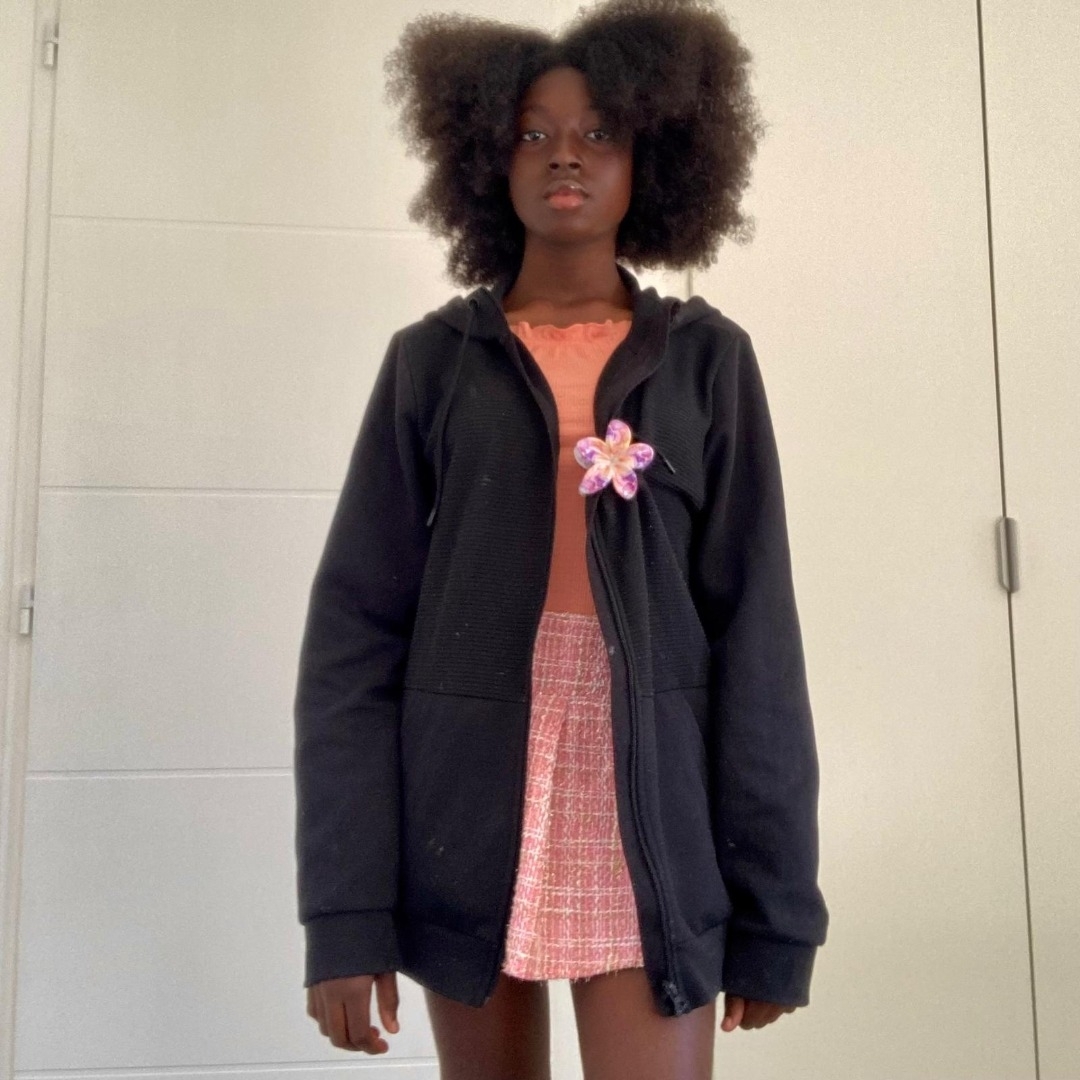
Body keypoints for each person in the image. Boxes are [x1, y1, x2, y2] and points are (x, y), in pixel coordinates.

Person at [293, 0, 829, 1075]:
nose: (564, 156)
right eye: (532, 133)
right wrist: (344, 918)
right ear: (486, 161)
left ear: (654, 160)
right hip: (465, 795)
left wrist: (777, 915)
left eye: (598, 133)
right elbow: (354, 641)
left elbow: (757, 637)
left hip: (652, 802)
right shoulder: (432, 363)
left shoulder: (707, 362)